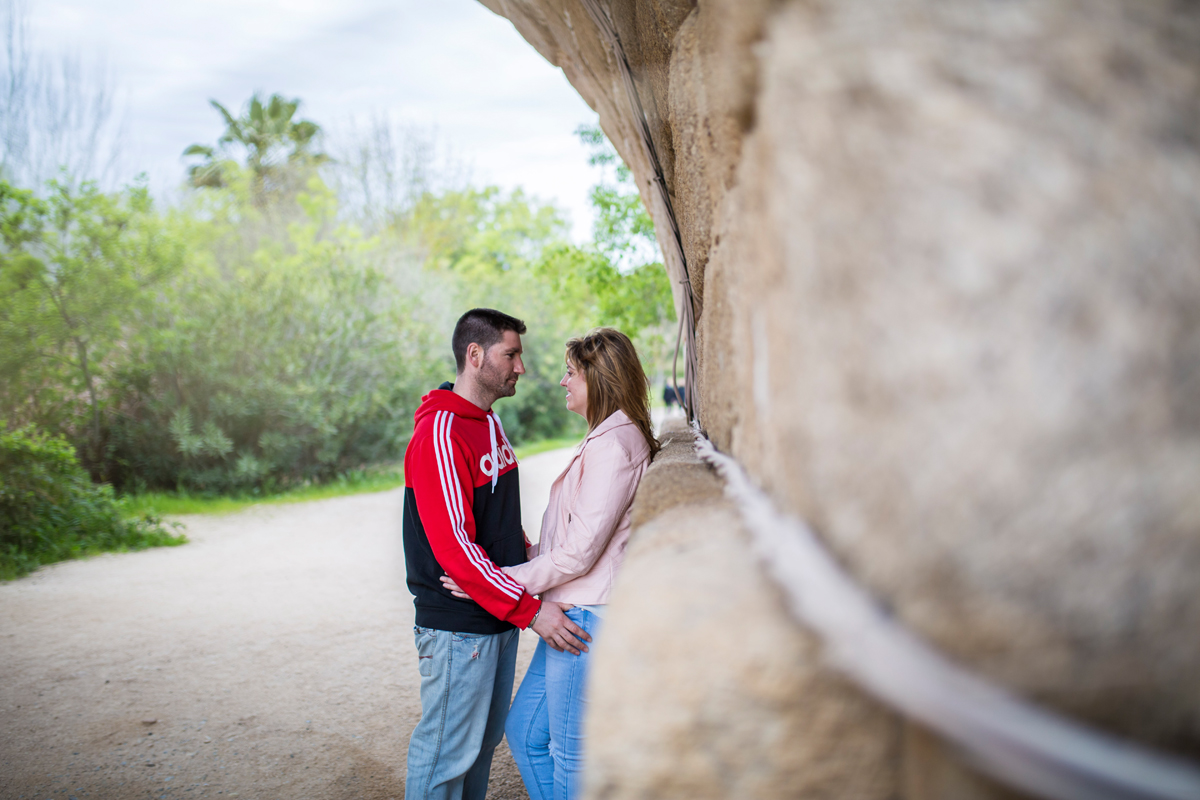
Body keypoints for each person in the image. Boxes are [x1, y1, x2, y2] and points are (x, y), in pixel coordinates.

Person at [443, 327, 659, 800]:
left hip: (587, 618)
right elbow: (571, 540)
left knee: (569, 755)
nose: (563, 382)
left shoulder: (615, 446)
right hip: (573, 611)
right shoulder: (607, 437)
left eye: (571, 373)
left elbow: (579, 554)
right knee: (524, 733)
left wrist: (494, 581)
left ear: (598, 380)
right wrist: (508, 562)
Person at [403, 308, 591, 800]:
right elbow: (457, 552)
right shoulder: (440, 433)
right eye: (511, 354)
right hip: (457, 625)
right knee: (446, 757)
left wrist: (535, 562)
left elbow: (500, 526)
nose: (521, 367)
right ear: (475, 355)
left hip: (493, 613)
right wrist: (532, 612)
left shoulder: (488, 423)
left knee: (479, 751)